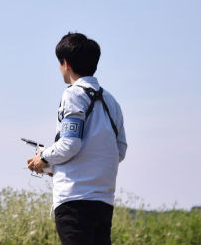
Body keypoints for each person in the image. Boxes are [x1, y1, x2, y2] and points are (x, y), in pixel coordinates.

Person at [27, 32, 127, 245]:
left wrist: (43, 158)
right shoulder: (112, 102)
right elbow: (119, 150)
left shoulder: (72, 94)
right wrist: (59, 167)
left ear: (66, 63)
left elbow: (70, 143)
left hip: (74, 201)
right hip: (103, 201)